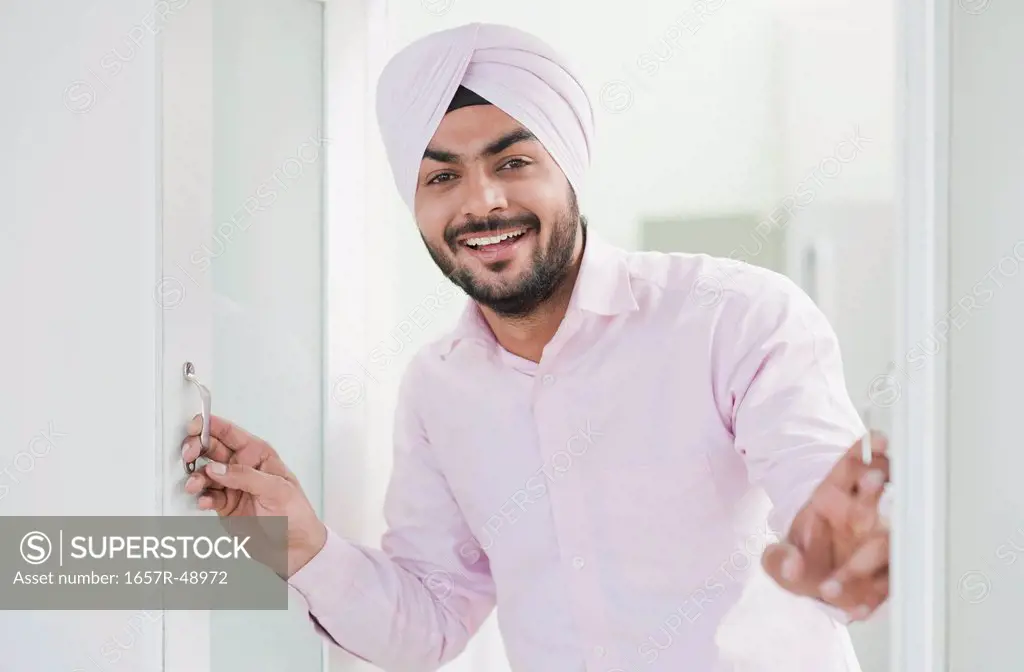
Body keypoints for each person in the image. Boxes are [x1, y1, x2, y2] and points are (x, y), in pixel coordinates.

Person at [181, 22, 891, 672]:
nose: (481, 201)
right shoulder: (437, 388)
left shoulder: (732, 318)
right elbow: (428, 624)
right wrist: (299, 541)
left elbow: (823, 500)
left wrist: (850, 551)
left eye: (513, 161)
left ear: (570, 168)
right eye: (441, 176)